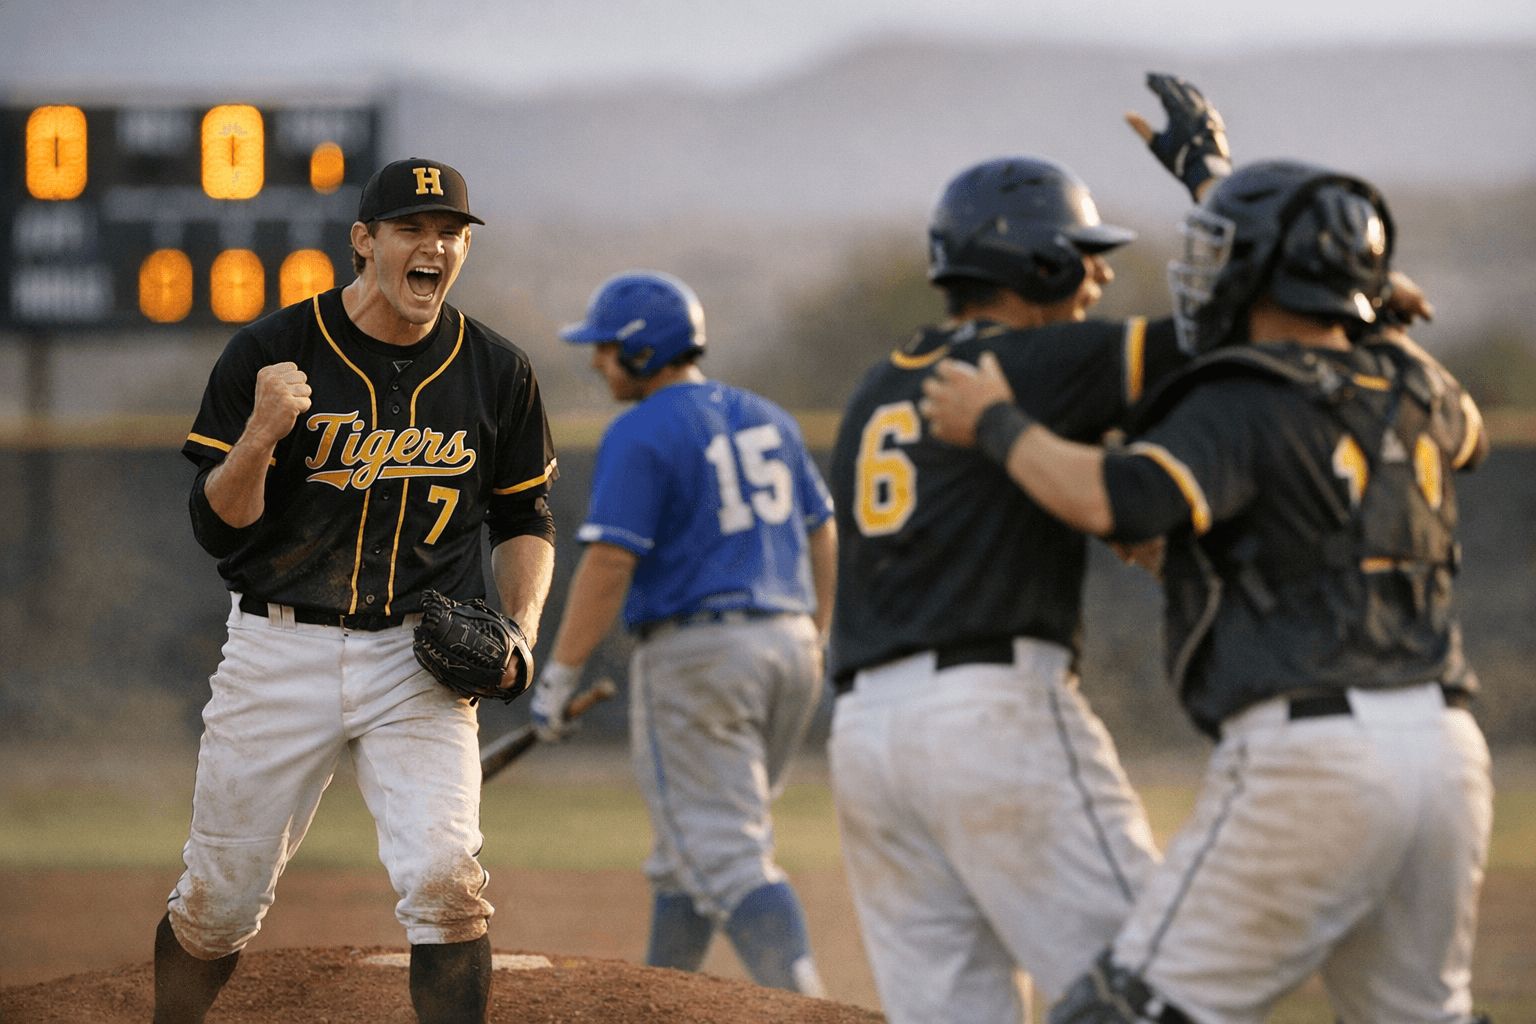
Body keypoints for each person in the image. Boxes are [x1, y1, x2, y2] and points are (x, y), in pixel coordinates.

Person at [920, 160, 1491, 1024]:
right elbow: (1468, 433)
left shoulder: (1242, 396)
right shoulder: (1420, 388)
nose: (1208, 274)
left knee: (1129, 1011)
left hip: (1316, 760)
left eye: (1227, 255)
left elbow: (1118, 497)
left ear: (1265, 274)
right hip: (1450, 754)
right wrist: (1375, 312)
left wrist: (997, 423)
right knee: (1419, 1015)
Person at [824, 75, 1232, 1024]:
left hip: (867, 744)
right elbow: (1229, 333)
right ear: (1039, 263)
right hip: (989, 718)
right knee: (1163, 986)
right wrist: (1213, 188)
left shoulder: (874, 388)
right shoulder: (1039, 361)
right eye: (1084, 259)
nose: (1097, 281)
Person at [161, 158, 558, 1024]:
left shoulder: (496, 370)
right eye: (412, 228)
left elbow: (525, 516)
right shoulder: (269, 352)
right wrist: (263, 433)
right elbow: (217, 526)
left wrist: (521, 627)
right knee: (217, 906)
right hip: (276, 648)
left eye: (450, 232)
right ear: (363, 241)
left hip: (420, 660)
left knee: (446, 881)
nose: (435, 247)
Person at [527, 270, 838, 996]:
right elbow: (824, 532)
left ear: (640, 352)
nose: (597, 363)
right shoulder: (768, 416)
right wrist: (815, 634)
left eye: (606, 349)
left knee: (724, 853)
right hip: (790, 647)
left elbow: (608, 561)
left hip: (702, 658)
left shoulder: (641, 428)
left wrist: (559, 679)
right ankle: (659, 1003)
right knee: (686, 852)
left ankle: (810, 1008)